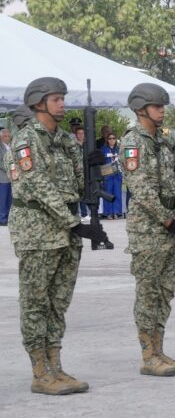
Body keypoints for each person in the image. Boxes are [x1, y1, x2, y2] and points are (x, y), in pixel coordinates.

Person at [7, 77, 108, 395]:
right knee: (35, 302)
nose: (62, 104)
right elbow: (38, 185)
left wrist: (95, 167)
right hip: (37, 230)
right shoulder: (25, 140)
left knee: (58, 302)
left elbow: (78, 185)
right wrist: (73, 222)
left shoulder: (65, 140)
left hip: (67, 231)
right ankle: (40, 372)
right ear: (39, 103)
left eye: (63, 98)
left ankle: (55, 365)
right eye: (56, 99)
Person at [121, 83, 175, 377]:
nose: (162, 111)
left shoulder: (165, 142)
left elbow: (173, 182)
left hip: (171, 223)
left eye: (163, 106)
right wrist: (168, 220)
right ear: (141, 109)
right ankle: (148, 355)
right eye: (156, 106)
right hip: (149, 228)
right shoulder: (133, 142)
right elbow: (140, 188)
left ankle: (159, 349)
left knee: (165, 293)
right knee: (148, 292)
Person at [102, 132, 123, 219]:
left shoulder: (119, 149)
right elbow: (101, 160)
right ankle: (108, 213)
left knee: (117, 194)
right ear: (107, 140)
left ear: (116, 139)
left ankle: (116, 212)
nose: (112, 140)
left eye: (113, 138)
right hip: (108, 174)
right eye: (110, 138)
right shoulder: (103, 149)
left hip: (117, 174)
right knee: (108, 194)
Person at [73, 126, 90, 221]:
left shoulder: (87, 145)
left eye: (82, 133)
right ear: (76, 135)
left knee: (84, 193)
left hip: (85, 171)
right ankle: (77, 214)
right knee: (76, 193)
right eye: (79, 133)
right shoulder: (73, 145)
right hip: (77, 172)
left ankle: (84, 214)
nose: (81, 135)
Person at [0, 128, 11, 225]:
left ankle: (9, 217)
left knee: (10, 199)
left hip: (13, 178)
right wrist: (10, 169)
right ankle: (2, 219)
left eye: (8, 136)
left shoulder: (12, 146)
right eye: (5, 136)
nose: (7, 138)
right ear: (1, 137)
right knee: (3, 199)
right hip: (3, 178)